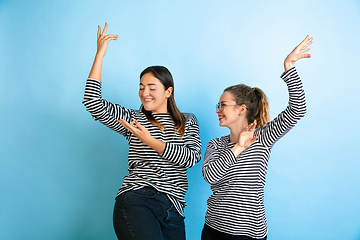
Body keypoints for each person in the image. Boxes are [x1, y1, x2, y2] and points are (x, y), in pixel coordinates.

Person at [83, 23, 201, 240]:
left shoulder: (186, 121)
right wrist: (100, 54)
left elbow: (191, 158)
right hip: (138, 199)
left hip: (174, 209)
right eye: (141, 87)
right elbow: (92, 102)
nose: (144, 93)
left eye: (152, 88)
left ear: (168, 91)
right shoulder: (134, 119)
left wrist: (149, 139)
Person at [201, 35, 313, 240]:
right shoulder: (215, 145)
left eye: (222, 105)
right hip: (213, 230)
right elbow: (210, 176)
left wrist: (289, 66)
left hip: (249, 234)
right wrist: (237, 148)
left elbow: (298, 109)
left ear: (241, 109)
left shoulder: (263, 137)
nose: (218, 110)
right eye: (218, 105)